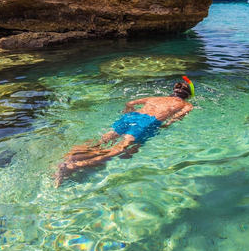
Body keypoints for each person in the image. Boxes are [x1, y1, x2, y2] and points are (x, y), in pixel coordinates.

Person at [54, 80, 195, 186]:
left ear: (174, 90)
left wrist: (127, 115)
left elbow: (130, 103)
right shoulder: (187, 105)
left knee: (101, 140)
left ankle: (69, 157)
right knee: (117, 151)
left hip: (131, 116)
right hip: (147, 123)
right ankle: (72, 167)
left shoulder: (154, 98)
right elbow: (174, 119)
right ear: (188, 95)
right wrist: (165, 126)